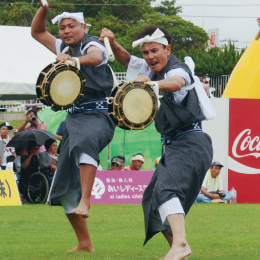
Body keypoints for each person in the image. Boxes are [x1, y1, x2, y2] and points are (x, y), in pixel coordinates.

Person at [100, 26, 213, 260]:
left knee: (167, 189)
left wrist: (151, 85)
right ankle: (178, 249)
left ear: (167, 49)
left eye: (154, 50)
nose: (149, 56)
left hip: (191, 141)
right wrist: (112, 40)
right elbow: (126, 60)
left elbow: (178, 82)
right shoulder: (150, 69)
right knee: (152, 200)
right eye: (145, 52)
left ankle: (181, 245)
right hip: (175, 145)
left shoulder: (176, 68)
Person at [31, 2, 115, 252]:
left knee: (85, 143)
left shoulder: (92, 43)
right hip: (75, 119)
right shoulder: (63, 46)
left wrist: (73, 60)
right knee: (64, 189)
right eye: (63, 27)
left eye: (71, 26)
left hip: (99, 114)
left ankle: (86, 200)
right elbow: (37, 32)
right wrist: (44, 10)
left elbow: (97, 57)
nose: (66, 30)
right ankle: (84, 243)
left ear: (84, 26)